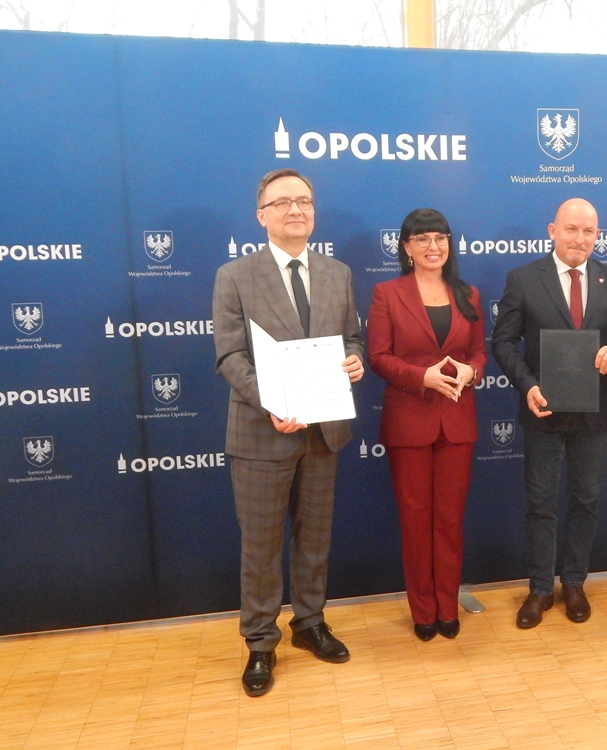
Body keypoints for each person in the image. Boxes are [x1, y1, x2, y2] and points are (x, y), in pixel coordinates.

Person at [213, 169, 365, 697]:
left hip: (323, 431)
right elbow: (229, 356)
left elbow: (351, 338)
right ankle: (260, 641)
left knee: (314, 538)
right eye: (282, 203)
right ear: (262, 216)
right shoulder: (235, 275)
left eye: (304, 201)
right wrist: (273, 400)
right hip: (262, 431)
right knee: (260, 546)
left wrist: (355, 361)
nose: (295, 209)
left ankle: (309, 623)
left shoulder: (337, 273)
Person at [492, 198, 607, 629]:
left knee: (586, 500)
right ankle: (540, 588)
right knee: (541, 503)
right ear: (552, 230)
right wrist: (528, 385)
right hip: (543, 409)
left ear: (598, 236)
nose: (580, 238)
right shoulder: (523, 279)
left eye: (588, 231)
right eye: (571, 229)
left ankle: (574, 582)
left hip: (594, 411)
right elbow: (503, 342)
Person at [367, 209, 486, 641]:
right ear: (406, 247)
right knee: (416, 521)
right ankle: (423, 611)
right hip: (409, 422)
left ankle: (447, 606)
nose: (433, 246)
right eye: (422, 239)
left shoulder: (469, 294)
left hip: (456, 420)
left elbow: (479, 353)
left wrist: (472, 372)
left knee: (450, 520)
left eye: (440, 238)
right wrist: (422, 377)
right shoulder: (387, 293)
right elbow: (378, 357)